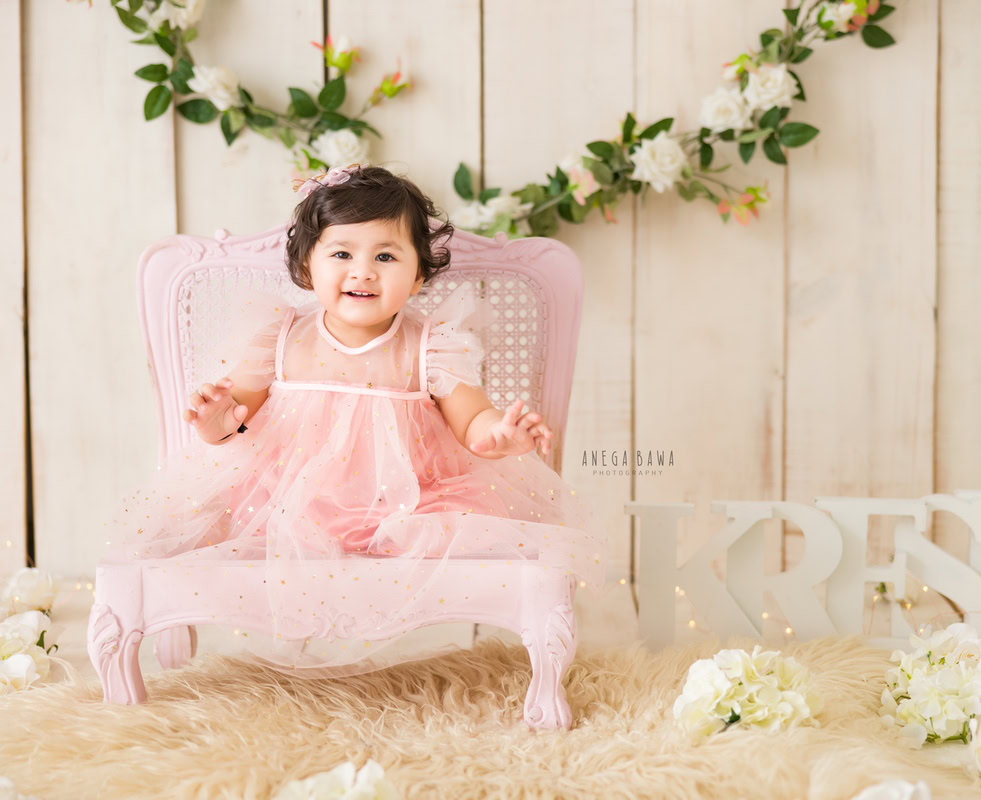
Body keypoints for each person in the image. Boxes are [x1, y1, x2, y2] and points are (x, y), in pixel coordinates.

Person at [101, 163, 607, 677]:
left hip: (408, 502)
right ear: (306, 267)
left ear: (417, 277)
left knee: (455, 526)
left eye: (385, 256)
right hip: (287, 501)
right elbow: (236, 420)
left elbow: (470, 418)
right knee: (201, 522)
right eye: (341, 254)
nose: (362, 271)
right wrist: (213, 422)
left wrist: (497, 435)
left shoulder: (432, 343)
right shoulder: (278, 335)